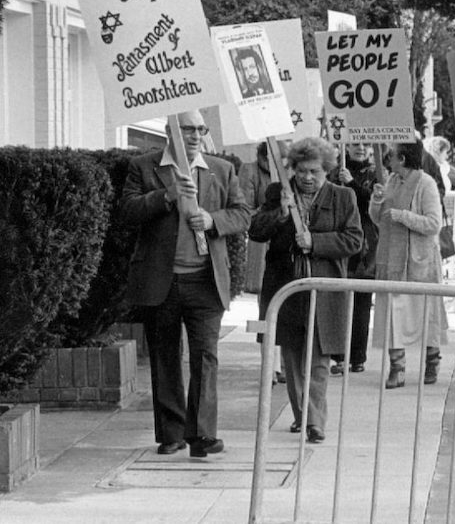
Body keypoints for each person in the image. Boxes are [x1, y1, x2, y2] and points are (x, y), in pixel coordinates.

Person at [120, 110, 251, 458]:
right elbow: (129, 211)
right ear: (169, 132)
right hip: (161, 280)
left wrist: (212, 219)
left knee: (206, 356)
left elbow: (242, 213)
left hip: (205, 281)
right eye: (187, 129)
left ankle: (203, 434)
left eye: (200, 129)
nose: (194, 136)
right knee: (165, 357)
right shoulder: (145, 166)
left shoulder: (221, 170)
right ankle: (171, 434)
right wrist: (167, 196)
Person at [249, 137, 363, 444]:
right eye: (301, 171)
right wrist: (280, 215)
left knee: (319, 359)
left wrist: (316, 243)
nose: (307, 177)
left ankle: (315, 421)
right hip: (286, 288)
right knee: (292, 355)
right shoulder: (278, 192)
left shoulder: (343, 196)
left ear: (326, 169)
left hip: (323, 289)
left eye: (314, 171)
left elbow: (354, 240)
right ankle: (302, 417)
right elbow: (256, 231)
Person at [370, 139, 449, 388]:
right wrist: (376, 201)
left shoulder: (425, 184)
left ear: (402, 159)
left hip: (420, 261)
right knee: (393, 314)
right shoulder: (391, 181)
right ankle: (397, 367)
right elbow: (379, 219)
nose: (387, 158)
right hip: (392, 258)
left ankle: (432, 361)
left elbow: (433, 224)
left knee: (426, 313)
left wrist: (403, 216)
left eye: (391, 154)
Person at [240, 141, 289, 385]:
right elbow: (245, 208)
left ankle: (282, 364)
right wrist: (270, 210)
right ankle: (268, 365)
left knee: (286, 310)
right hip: (262, 248)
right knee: (266, 307)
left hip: (285, 250)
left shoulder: (290, 176)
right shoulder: (250, 172)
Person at [329, 143, 380, 375]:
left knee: (361, 304)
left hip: (365, 246)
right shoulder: (333, 172)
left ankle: (357, 356)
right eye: (355, 144)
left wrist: (351, 184)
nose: (360, 148)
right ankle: (338, 355)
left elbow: (374, 203)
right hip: (339, 242)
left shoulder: (375, 173)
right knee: (338, 302)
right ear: (345, 147)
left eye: (365, 144)